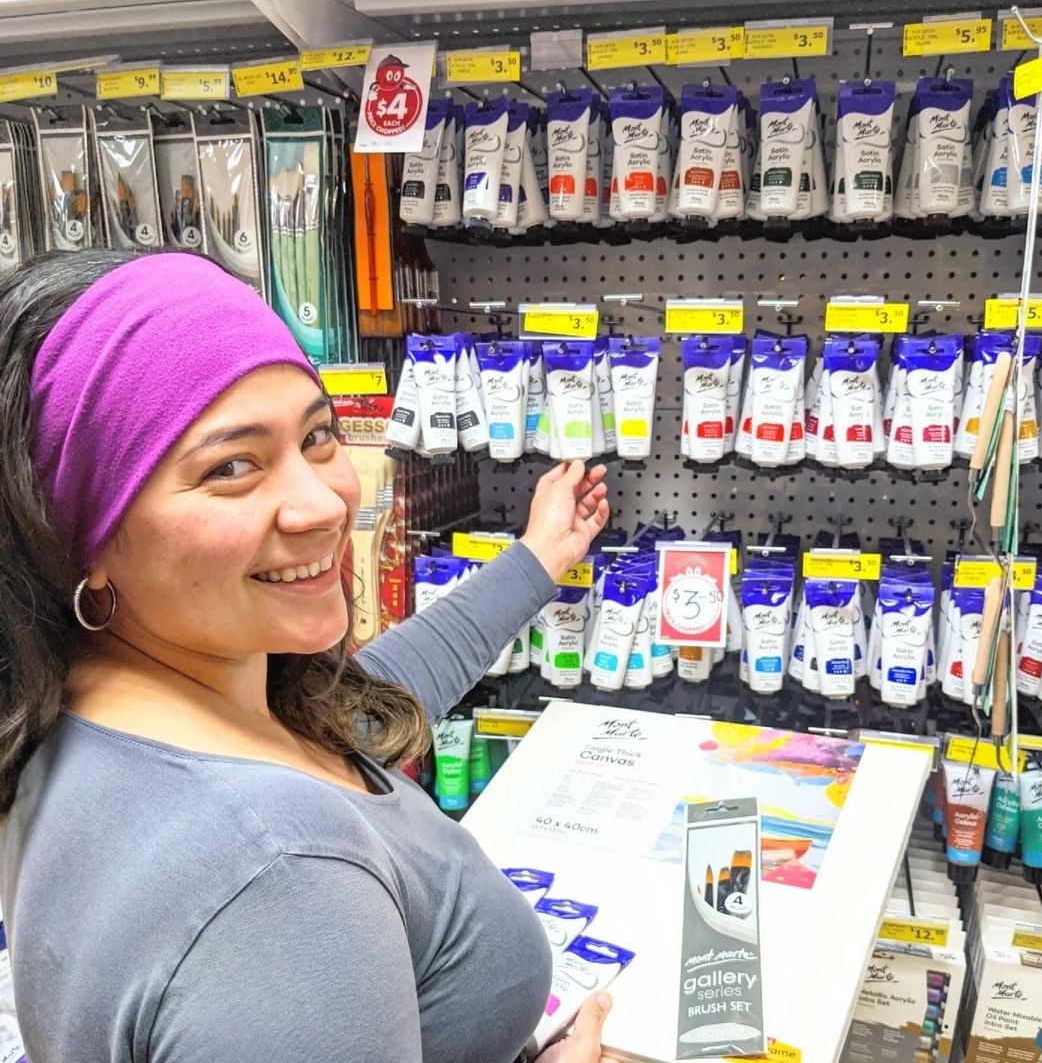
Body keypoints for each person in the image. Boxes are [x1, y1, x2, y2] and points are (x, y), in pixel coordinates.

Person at [0, 250, 618, 1063]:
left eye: (317, 435)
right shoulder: (279, 876)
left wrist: (537, 558)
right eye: (230, 466)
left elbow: (366, 705)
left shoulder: (91, 717)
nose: (325, 502)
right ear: (84, 530)